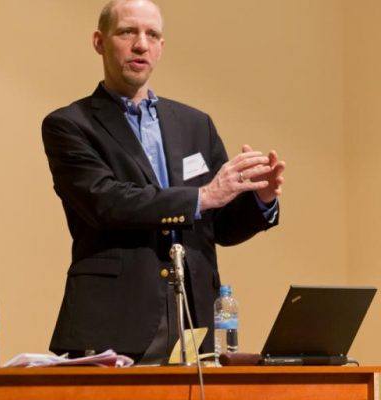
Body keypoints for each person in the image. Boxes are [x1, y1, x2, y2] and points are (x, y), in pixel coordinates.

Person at [42, 0, 285, 365]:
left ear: (161, 47)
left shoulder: (195, 124)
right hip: (115, 320)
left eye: (152, 35)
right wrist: (202, 196)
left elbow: (218, 225)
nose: (141, 44)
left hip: (194, 318)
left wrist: (260, 200)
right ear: (99, 42)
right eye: (127, 32)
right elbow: (106, 202)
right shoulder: (70, 125)